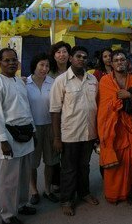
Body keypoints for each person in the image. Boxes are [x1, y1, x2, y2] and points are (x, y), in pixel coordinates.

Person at [0, 48, 36, 224]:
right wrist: (2, 140)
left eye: (14, 60)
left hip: (26, 133)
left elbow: (26, 108)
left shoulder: (19, 81)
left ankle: (22, 204)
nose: (11, 63)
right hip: (9, 136)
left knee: (23, 175)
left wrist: (34, 132)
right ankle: (7, 215)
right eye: (6, 60)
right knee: (9, 179)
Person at [50, 46, 99, 216]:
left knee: (84, 166)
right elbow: (55, 111)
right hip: (70, 134)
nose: (82, 59)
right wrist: (57, 137)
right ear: (70, 58)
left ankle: (84, 193)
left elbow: (96, 107)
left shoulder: (93, 80)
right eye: (78, 56)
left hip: (89, 133)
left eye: (85, 57)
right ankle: (67, 200)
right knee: (69, 169)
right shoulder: (61, 81)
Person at [97, 50, 132, 205]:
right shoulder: (105, 81)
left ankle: (130, 191)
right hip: (113, 130)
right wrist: (119, 100)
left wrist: (130, 96)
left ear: (127, 62)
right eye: (116, 60)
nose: (119, 62)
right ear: (111, 64)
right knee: (115, 164)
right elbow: (105, 105)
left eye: (122, 59)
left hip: (131, 128)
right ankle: (114, 194)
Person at [26, 53, 59, 205]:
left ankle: (47, 190)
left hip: (50, 126)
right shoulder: (25, 83)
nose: (44, 69)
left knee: (51, 161)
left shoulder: (53, 83)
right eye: (41, 65)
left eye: (47, 66)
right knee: (32, 162)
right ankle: (34, 191)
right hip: (32, 128)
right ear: (35, 65)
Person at [48, 41, 71, 193]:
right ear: (54, 55)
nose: (61, 55)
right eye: (58, 52)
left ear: (69, 55)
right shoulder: (48, 74)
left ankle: (69, 181)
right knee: (55, 151)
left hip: (71, 119)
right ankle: (56, 182)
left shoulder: (75, 71)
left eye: (64, 52)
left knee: (69, 152)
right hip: (53, 118)